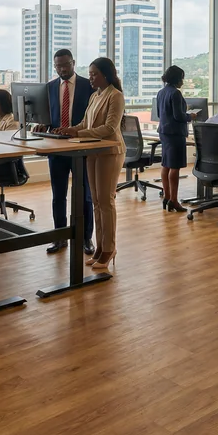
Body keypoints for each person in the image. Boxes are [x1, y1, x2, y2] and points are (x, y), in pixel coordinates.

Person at [55, 57, 126, 272]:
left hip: (110, 152)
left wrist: (80, 133)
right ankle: (100, 246)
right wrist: (71, 130)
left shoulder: (115, 96)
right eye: (90, 74)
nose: (91, 78)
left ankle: (109, 248)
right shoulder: (95, 96)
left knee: (106, 201)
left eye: (95, 74)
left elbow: (109, 128)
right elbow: (85, 123)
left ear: (106, 74)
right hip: (93, 151)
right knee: (96, 201)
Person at [43, 49, 95, 255]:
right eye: (58, 66)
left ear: (73, 63)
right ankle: (60, 237)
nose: (62, 69)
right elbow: (48, 117)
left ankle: (85, 238)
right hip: (57, 148)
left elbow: (93, 118)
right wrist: (43, 125)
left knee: (84, 195)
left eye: (66, 65)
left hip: (80, 146)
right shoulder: (49, 87)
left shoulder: (88, 86)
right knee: (58, 195)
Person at [156, 65, 196, 213]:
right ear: (177, 79)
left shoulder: (161, 92)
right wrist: (190, 116)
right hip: (175, 134)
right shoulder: (176, 93)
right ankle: (173, 200)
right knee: (174, 167)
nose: (183, 82)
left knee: (166, 164)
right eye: (182, 79)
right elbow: (178, 116)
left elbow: (160, 114)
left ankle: (167, 197)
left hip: (164, 132)